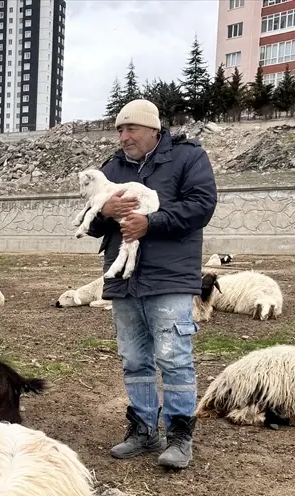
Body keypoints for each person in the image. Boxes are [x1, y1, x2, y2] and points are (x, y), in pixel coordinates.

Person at [84, 99, 218, 470]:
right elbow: (92, 224)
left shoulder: (188, 158)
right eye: (119, 130)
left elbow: (202, 205)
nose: (123, 137)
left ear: (152, 129)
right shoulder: (112, 168)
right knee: (133, 358)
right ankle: (144, 429)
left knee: (174, 357)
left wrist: (151, 223)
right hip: (125, 279)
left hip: (169, 276)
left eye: (131, 129)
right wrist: (105, 212)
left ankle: (179, 436)